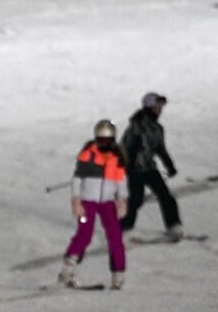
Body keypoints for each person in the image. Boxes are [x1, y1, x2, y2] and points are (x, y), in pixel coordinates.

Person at [58, 120, 128, 290]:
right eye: (101, 140)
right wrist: (76, 200)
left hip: (107, 202)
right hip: (88, 201)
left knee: (115, 236)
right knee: (85, 234)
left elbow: (120, 180)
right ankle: (68, 268)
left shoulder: (117, 157)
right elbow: (77, 179)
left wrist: (122, 200)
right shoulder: (88, 154)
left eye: (107, 141)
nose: (104, 144)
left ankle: (118, 274)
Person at [119, 92, 183, 241]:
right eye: (157, 107)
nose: (160, 110)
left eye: (160, 108)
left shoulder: (157, 128)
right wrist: (129, 159)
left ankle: (174, 225)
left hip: (150, 168)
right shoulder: (136, 126)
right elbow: (124, 147)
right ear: (149, 108)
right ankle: (124, 228)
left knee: (165, 196)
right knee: (136, 199)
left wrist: (169, 165)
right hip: (135, 170)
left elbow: (160, 149)